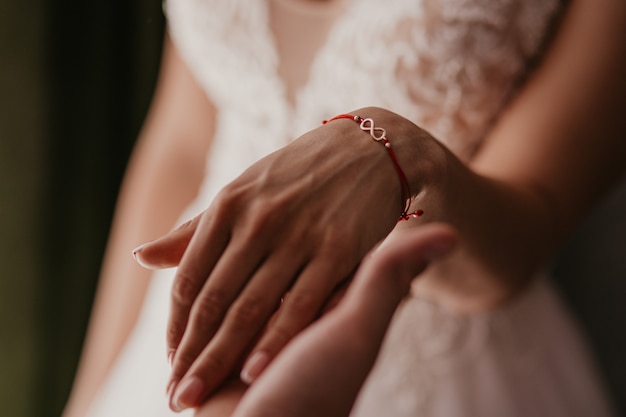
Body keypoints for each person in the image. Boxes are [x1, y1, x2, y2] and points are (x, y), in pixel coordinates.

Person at [62, 0, 626, 416]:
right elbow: (184, 144)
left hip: (440, 365)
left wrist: (403, 158)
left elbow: (519, 244)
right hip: (182, 342)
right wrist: (93, 392)